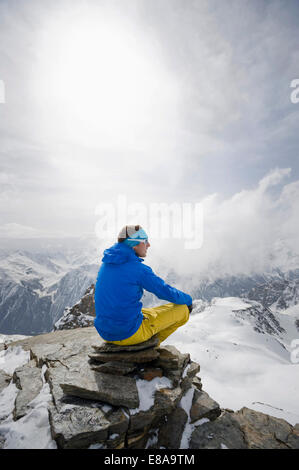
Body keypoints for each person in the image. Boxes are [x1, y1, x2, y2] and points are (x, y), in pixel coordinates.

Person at [94, 225, 193, 346]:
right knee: (183, 310)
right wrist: (188, 300)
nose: (149, 245)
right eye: (145, 241)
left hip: (105, 332)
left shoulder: (107, 263)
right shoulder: (138, 269)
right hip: (128, 334)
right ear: (135, 244)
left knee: (149, 312)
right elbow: (164, 291)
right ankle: (150, 346)